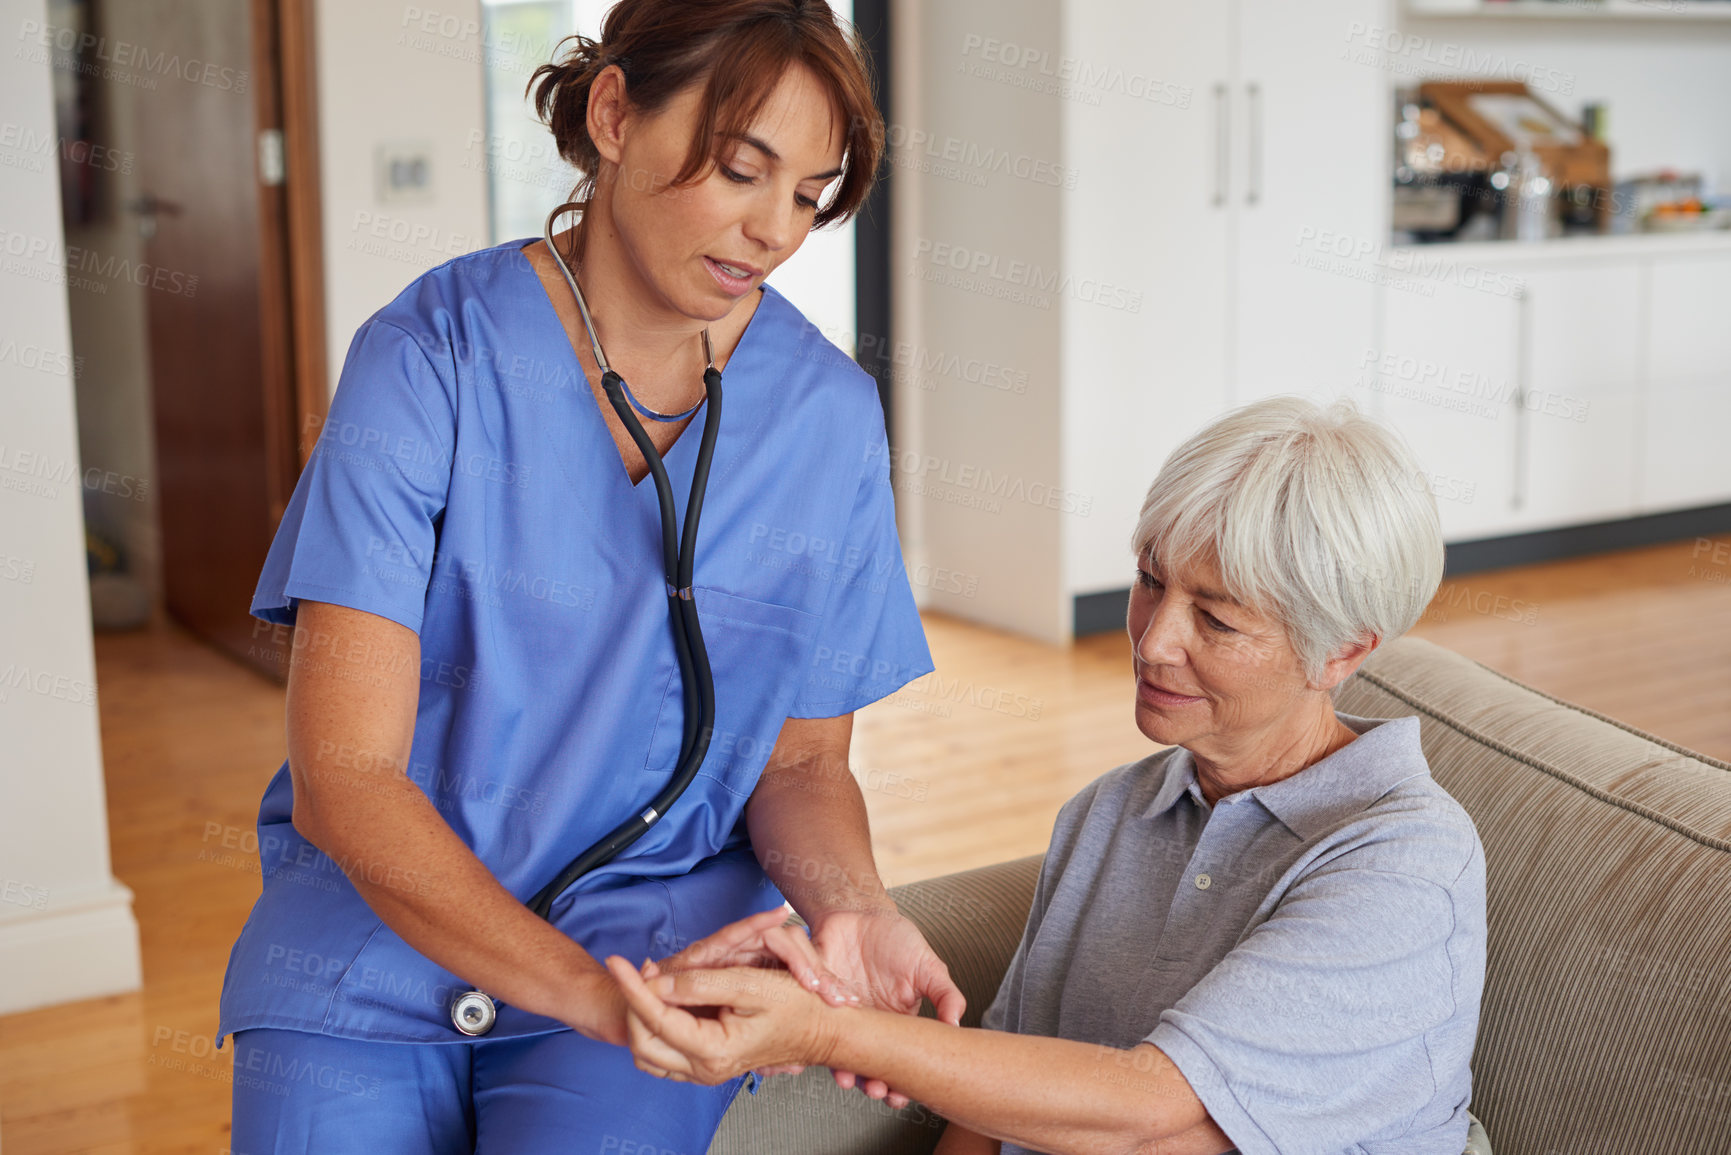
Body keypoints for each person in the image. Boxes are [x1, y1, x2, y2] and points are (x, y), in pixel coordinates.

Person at [215, 2, 964, 1150]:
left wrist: (854, 909)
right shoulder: (430, 362)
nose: (772, 230)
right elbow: (348, 776)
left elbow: (804, 762)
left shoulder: (829, 421)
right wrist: (580, 990)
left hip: (663, 942)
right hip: (373, 932)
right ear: (613, 114)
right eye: (739, 171)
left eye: (808, 196)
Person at [606, 396, 1489, 1155]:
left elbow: (1147, 1105)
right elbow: (1000, 1102)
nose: (1151, 639)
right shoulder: (1113, 811)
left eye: (1215, 621)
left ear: (1340, 651)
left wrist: (833, 1030)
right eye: (1150, 581)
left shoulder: (1404, 862)